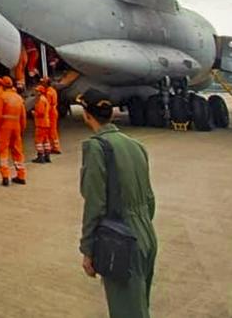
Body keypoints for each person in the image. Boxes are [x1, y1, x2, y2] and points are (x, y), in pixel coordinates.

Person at [77, 90, 157, 318]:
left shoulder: (96, 147)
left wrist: (88, 249)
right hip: (146, 234)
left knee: (126, 312)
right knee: (139, 307)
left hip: (120, 238)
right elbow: (150, 200)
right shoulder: (136, 145)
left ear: (86, 114)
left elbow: (95, 203)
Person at [0, 77, 27, 186]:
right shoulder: (19, 98)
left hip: (5, 127)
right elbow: (23, 116)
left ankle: (5, 176)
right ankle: (21, 175)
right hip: (16, 126)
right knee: (17, 150)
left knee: (3, 150)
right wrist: (22, 128)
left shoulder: (2, 97)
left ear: (2, 86)